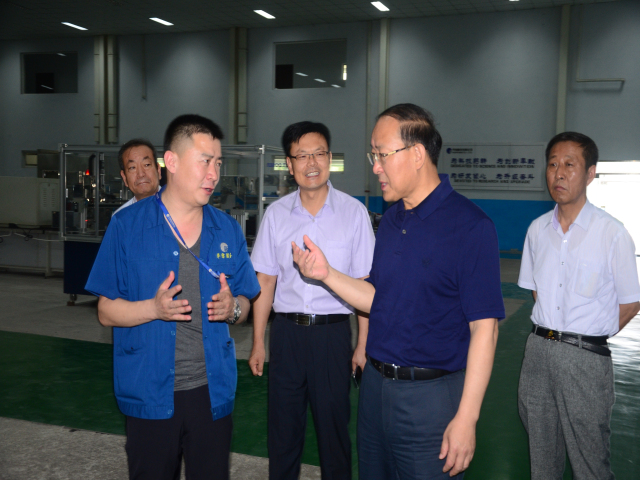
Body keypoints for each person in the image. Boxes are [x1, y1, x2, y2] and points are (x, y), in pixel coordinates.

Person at [291, 104, 504, 479]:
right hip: (375, 392)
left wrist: (467, 418)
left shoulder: (470, 227)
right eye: (372, 156)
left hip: (431, 399)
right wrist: (326, 274)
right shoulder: (390, 221)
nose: (375, 167)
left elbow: (484, 329)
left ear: (417, 154)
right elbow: (378, 299)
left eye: (382, 155)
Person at [86, 114, 260, 480]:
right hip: (149, 392)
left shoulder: (226, 229)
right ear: (173, 162)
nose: (213, 173)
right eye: (205, 161)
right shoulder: (127, 226)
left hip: (211, 393)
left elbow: (246, 303)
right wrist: (152, 308)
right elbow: (105, 310)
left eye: (218, 163)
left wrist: (234, 308)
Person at [249, 121, 375, 479]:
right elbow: (266, 280)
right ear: (289, 165)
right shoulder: (276, 215)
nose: (311, 163)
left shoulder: (354, 213)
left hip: (332, 337)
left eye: (318, 154)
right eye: (301, 156)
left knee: (333, 432)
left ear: (330, 158)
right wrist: (258, 342)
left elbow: (365, 284)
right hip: (286, 335)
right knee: (283, 431)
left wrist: (362, 345)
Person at [517, 132, 640, 480]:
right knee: (541, 459)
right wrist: (554, 336)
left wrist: (588, 337)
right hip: (538, 352)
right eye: (553, 164)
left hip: (585, 360)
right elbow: (537, 292)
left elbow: (631, 302)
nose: (558, 173)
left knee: (590, 464)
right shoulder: (537, 231)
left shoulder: (612, 233)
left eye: (569, 165)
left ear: (590, 173)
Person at [116, 138, 162, 213]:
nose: (141, 174)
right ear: (124, 177)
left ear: (158, 171)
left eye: (147, 165)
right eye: (132, 167)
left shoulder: (179, 206)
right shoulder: (121, 216)